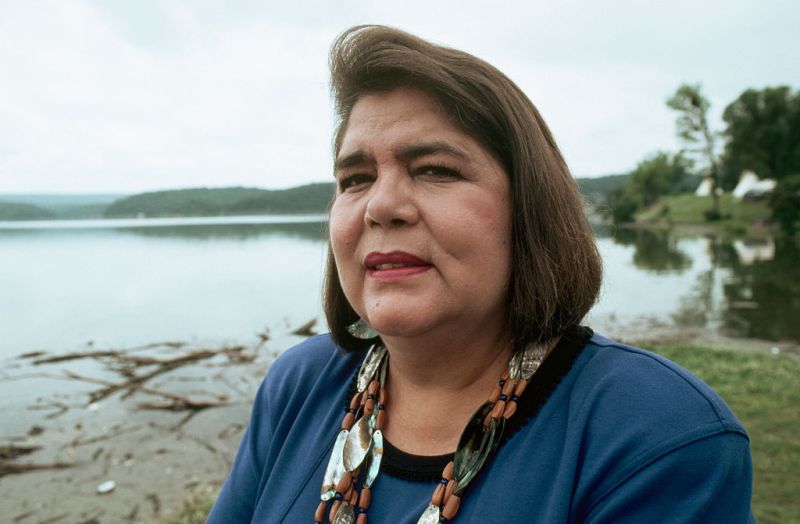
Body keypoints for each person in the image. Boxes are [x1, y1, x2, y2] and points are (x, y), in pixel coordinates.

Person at [208, 26, 754, 523]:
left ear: (529, 209)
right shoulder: (299, 384)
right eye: (355, 178)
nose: (381, 205)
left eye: (435, 170)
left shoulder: (658, 434)